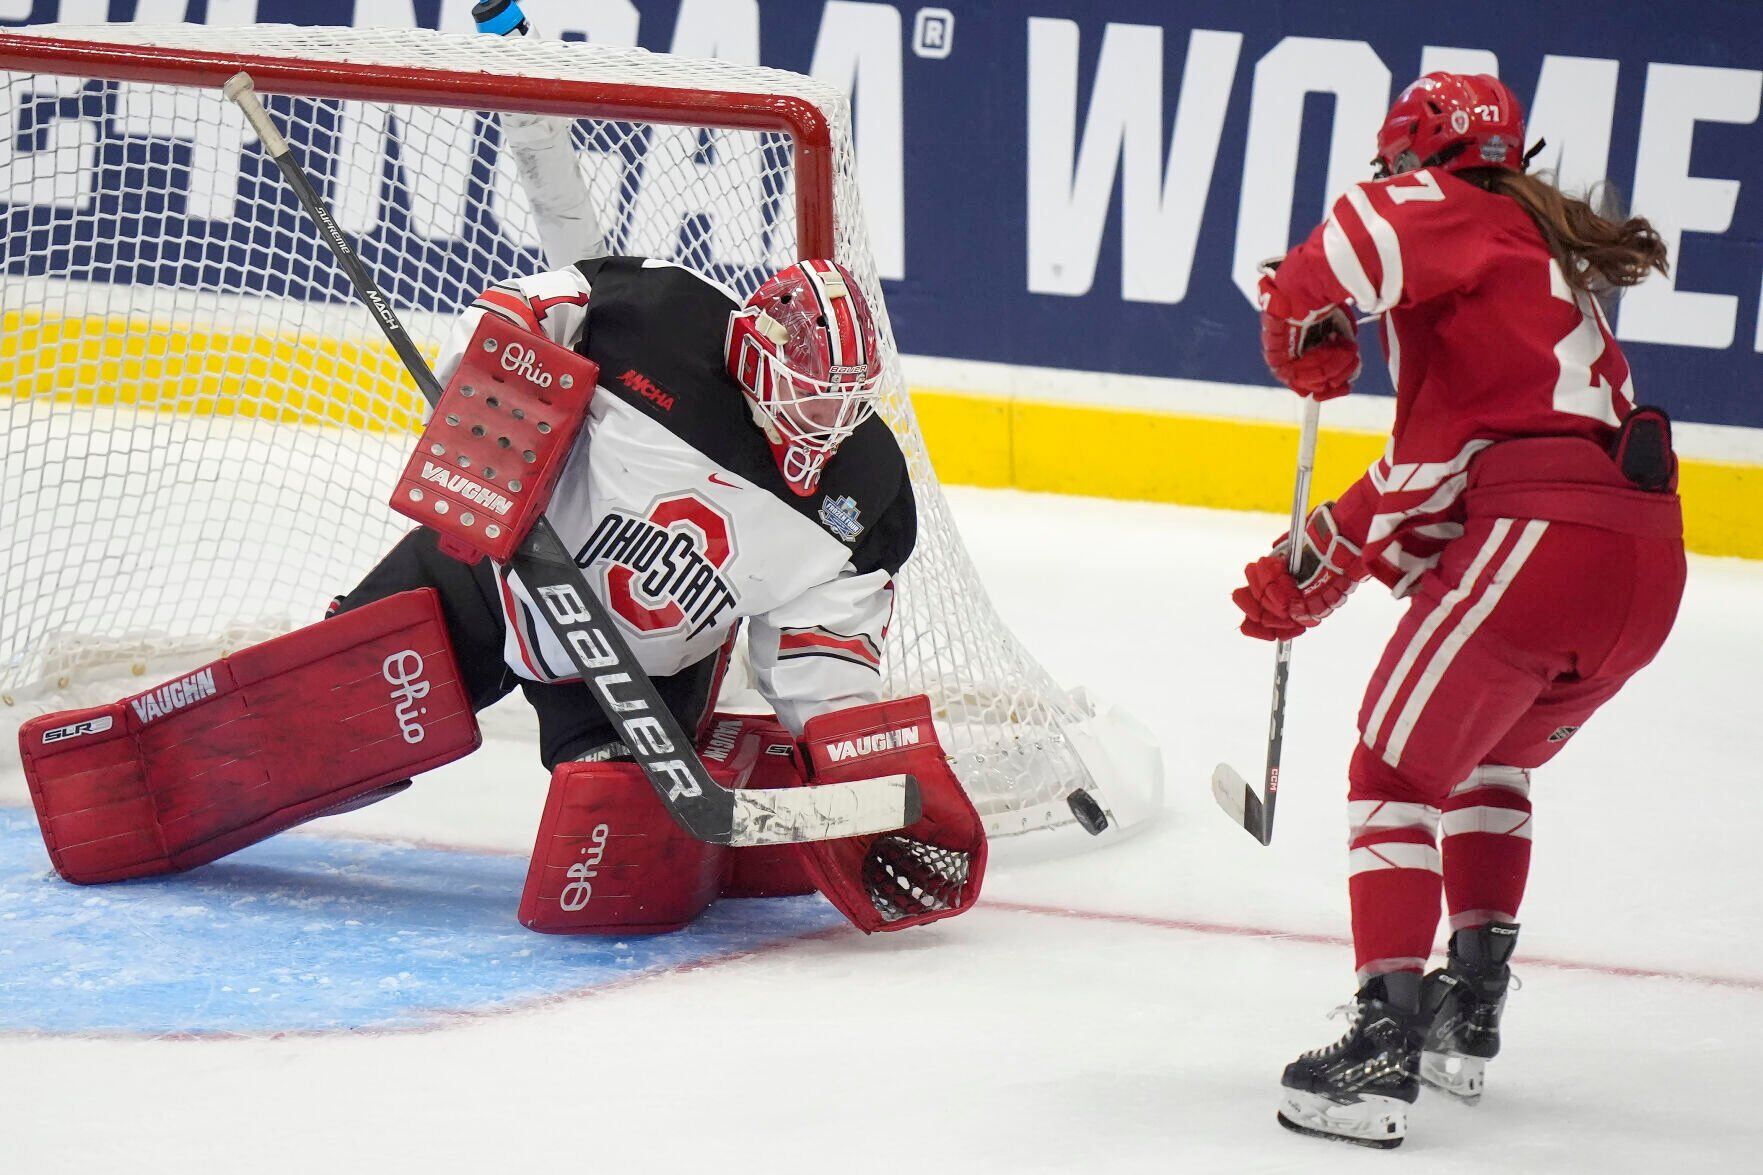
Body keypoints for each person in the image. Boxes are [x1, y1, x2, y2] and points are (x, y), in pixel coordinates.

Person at [21, 254, 986, 937]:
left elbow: (821, 645)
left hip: (632, 678)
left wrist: (854, 759)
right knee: (328, 695)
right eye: (807, 394)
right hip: (489, 572)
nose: (821, 423)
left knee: (613, 868)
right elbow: (521, 310)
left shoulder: (867, 490)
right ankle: (145, 787)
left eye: (840, 403)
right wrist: (501, 376)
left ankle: (733, 785)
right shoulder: (655, 309)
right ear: (754, 349)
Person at [1233, 73, 1685, 1148]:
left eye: (1392, 168)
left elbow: (1342, 242)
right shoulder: (1527, 262)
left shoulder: (1454, 209)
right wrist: (1318, 561)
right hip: (1643, 560)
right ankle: (1464, 1004)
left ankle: (1381, 1042)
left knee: (1390, 774)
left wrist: (1300, 315)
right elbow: (1428, 477)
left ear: (1414, 160)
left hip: (1539, 544)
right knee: (1485, 759)